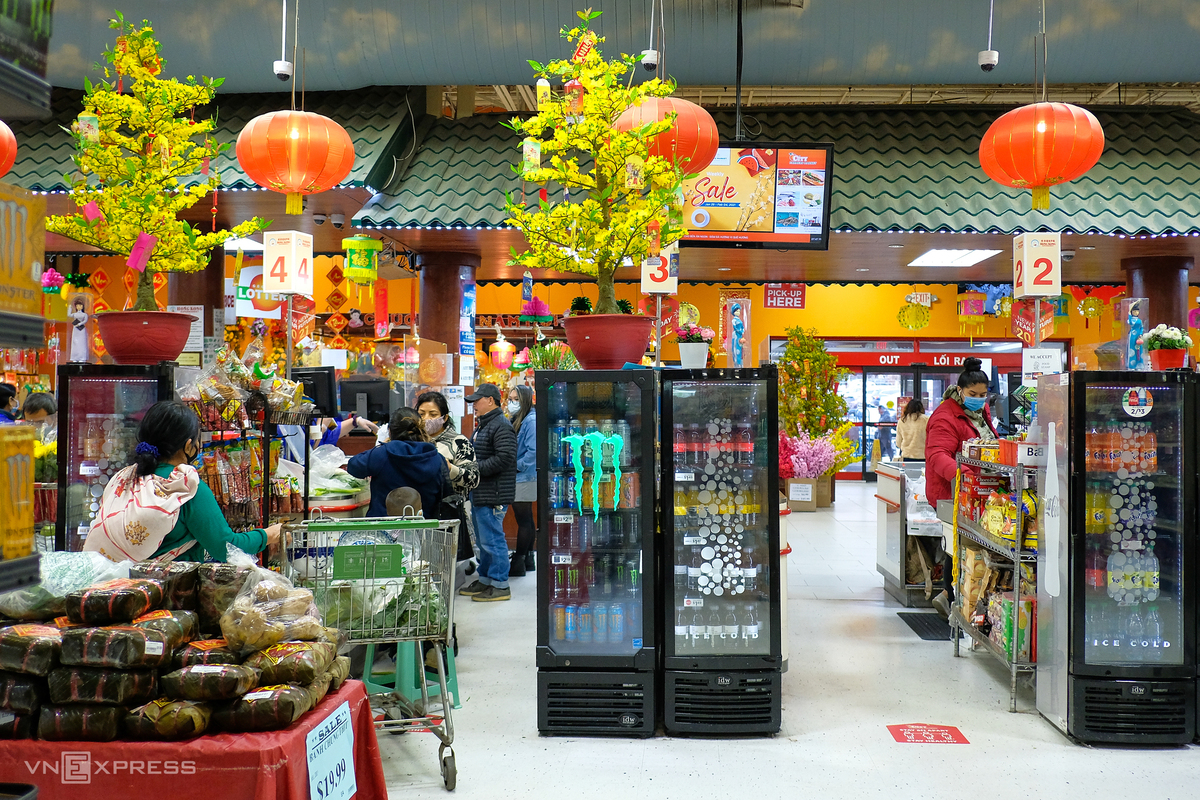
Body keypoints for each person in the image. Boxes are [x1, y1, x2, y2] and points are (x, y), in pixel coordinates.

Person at [85, 401, 282, 562]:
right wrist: (270, 534)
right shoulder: (184, 486)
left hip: (110, 586)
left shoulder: (124, 477)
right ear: (189, 446)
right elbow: (227, 548)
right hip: (163, 598)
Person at [924, 358, 996, 619]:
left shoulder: (979, 413)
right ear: (960, 390)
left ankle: (953, 597)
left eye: (983, 394)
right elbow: (937, 455)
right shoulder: (946, 415)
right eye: (973, 394)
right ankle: (953, 598)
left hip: (979, 489)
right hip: (953, 491)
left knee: (966, 543)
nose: (979, 399)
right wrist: (964, 475)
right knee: (960, 543)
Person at [459, 383, 517, 603]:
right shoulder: (485, 424)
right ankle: (486, 579)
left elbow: (505, 458)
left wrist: (473, 468)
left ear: (490, 400)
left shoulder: (500, 425)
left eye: (477, 400)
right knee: (484, 541)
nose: (474, 405)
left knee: (493, 540)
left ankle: (500, 584)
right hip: (481, 491)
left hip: (494, 493)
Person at [346, 407, 447, 518]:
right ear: (421, 429)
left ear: (389, 431)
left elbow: (353, 466)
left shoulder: (382, 454)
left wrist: (381, 446)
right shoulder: (438, 459)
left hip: (383, 529)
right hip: (425, 529)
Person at [415, 390, 480, 559]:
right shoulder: (412, 440)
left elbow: (473, 478)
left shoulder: (458, 442)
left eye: (433, 414)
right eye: (421, 414)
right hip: (415, 512)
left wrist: (450, 468)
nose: (426, 418)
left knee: (442, 563)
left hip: (445, 512)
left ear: (444, 417)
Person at [508, 385, 537, 577]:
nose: (512, 403)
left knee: (524, 519)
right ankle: (527, 558)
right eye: (510, 399)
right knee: (525, 518)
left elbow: (533, 451)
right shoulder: (521, 419)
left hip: (525, 476)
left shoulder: (531, 421)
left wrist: (516, 465)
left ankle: (519, 560)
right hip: (522, 475)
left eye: (516, 399)